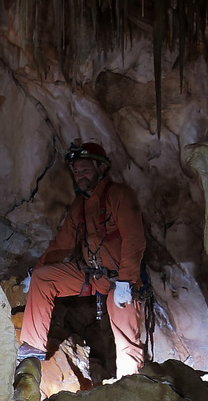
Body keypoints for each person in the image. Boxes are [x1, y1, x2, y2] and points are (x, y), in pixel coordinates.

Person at [16, 141, 147, 379]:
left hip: (120, 280)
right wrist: (35, 272)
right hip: (92, 274)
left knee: (126, 337)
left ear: (100, 168)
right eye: (76, 171)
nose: (79, 175)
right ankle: (32, 348)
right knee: (43, 279)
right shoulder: (81, 205)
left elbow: (134, 239)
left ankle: (130, 385)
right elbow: (62, 244)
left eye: (85, 169)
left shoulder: (120, 195)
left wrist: (127, 281)